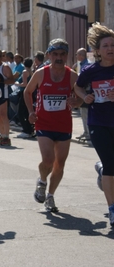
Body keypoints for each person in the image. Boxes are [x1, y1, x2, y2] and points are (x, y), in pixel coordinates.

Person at [24, 38, 80, 212]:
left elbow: (81, 98)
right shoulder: (41, 73)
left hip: (64, 125)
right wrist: (31, 112)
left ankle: (50, 196)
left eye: (62, 54)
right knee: (48, 160)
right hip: (44, 123)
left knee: (60, 164)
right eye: (55, 54)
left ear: (67, 56)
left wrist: (75, 101)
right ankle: (42, 180)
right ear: (49, 55)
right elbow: (27, 92)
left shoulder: (72, 76)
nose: (59, 57)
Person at [74, 23, 114, 227]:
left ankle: (101, 171)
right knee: (111, 165)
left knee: (111, 165)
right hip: (98, 121)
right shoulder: (91, 70)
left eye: (113, 45)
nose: (110, 49)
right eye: (106, 45)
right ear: (97, 50)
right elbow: (78, 87)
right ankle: (112, 209)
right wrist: (85, 97)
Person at [0, 49, 15, 146]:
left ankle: (6, 137)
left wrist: (1, 80)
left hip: (3, 94)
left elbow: (11, 81)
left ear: (2, 57)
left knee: (3, 115)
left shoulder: (5, 67)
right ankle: (2, 135)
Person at [72, 48, 91, 141]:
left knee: (85, 113)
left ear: (81, 56)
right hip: (81, 91)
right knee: (82, 113)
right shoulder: (81, 64)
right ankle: (86, 132)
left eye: (77, 54)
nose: (76, 56)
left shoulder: (87, 65)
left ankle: (88, 133)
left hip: (85, 91)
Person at [15, 57, 34, 139]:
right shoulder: (31, 71)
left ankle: (26, 130)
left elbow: (24, 84)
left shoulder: (25, 71)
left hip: (24, 93)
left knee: (20, 113)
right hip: (30, 93)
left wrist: (16, 84)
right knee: (26, 112)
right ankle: (30, 130)